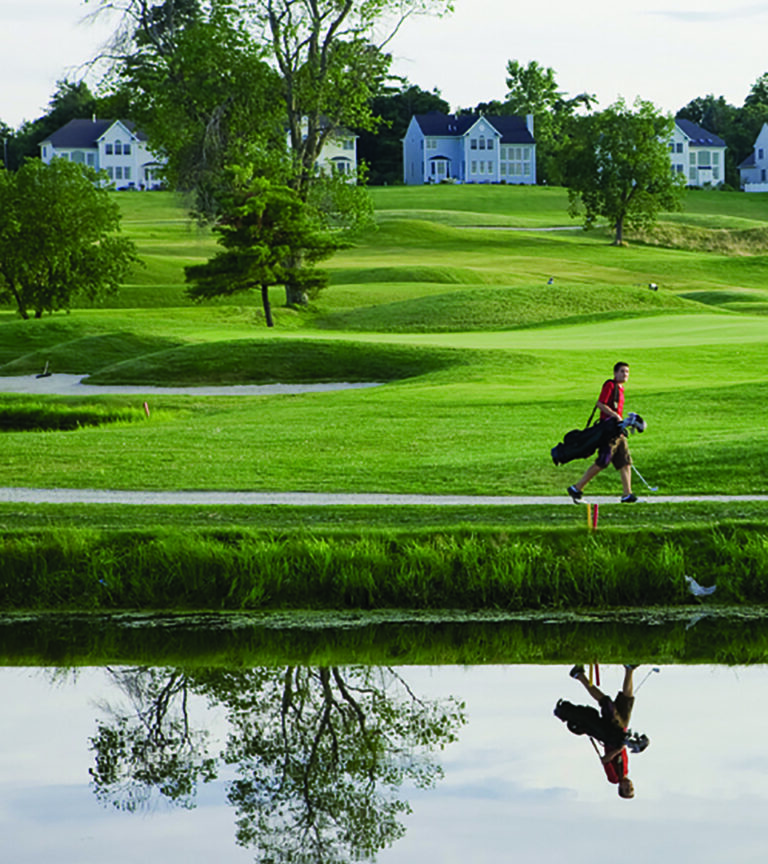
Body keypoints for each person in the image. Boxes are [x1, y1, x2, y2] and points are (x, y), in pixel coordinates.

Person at [567, 361, 637, 503]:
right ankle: (577, 488)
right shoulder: (610, 385)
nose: (625, 374)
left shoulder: (621, 389)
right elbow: (600, 404)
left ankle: (627, 494)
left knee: (624, 461)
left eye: (627, 372)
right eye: (622, 371)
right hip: (608, 431)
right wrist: (615, 416)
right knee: (603, 461)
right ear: (615, 373)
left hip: (618, 432)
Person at [569, 664, 637, 798]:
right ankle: (629, 669)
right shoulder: (625, 771)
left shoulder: (614, 778)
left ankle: (579, 676)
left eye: (627, 789)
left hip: (611, 733)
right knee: (627, 700)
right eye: (632, 787)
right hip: (621, 730)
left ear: (620, 788)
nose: (629, 785)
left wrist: (619, 748)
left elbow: (605, 760)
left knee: (606, 702)